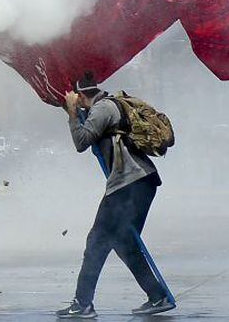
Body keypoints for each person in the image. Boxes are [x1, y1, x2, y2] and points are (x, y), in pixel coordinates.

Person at [55, 72, 174, 319]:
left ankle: (83, 303)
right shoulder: (104, 107)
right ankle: (157, 296)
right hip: (139, 182)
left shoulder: (104, 108)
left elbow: (81, 141)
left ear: (80, 94)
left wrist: (72, 114)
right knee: (124, 243)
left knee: (96, 242)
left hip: (128, 183)